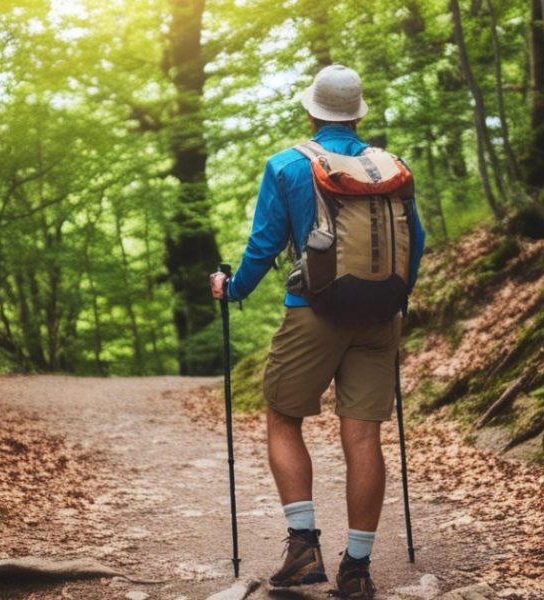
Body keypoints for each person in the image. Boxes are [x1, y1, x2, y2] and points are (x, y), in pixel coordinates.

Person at [209, 64, 426, 600]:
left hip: (314, 312)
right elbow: (415, 241)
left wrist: (232, 289)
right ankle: (357, 569)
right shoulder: (391, 167)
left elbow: (264, 243)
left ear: (312, 110)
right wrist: (395, 296)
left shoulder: (288, 164)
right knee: (364, 436)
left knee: (284, 417)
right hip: (381, 316)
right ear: (356, 114)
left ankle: (304, 546)